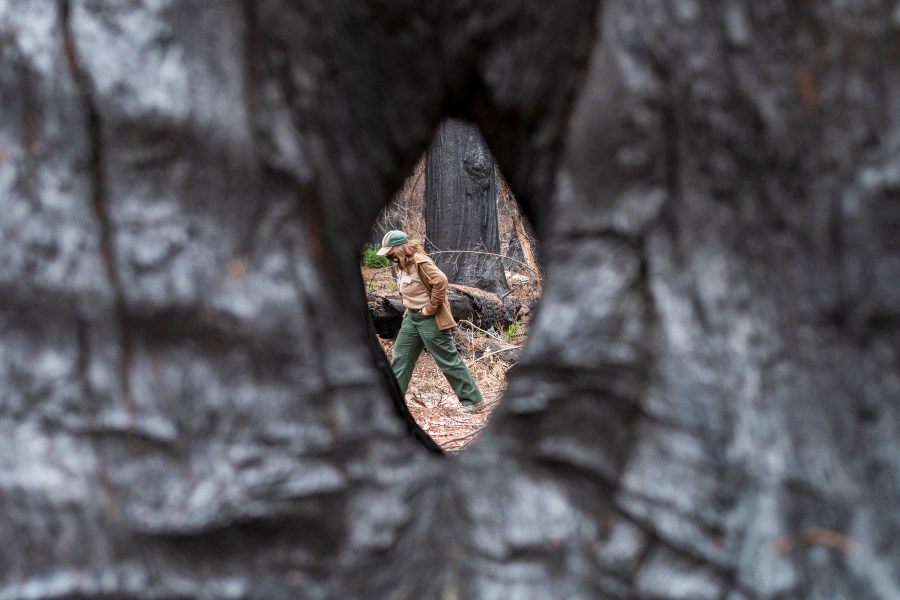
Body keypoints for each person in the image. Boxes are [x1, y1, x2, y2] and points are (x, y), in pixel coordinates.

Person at [376, 230, 484, 410]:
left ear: (400, 248)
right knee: (401, 357)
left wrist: (432, 307)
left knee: (447, 359)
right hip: (411, 317)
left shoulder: (420, 261)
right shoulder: (401, 264)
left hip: (430, 318)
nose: (388, 255)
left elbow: (441, 281)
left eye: (390, 251)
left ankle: (473, 401)